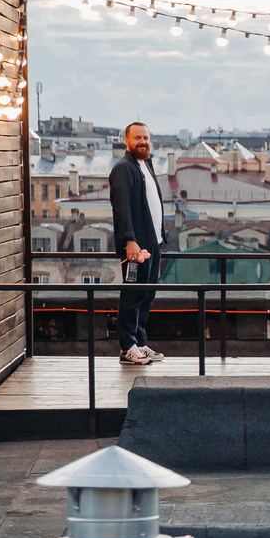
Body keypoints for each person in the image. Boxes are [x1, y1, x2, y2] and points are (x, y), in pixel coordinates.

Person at [107, 122, 170, 365]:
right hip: (137, 246)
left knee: (147, 294)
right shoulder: (124, 168)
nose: (142, 142)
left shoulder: (145, 165)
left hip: (153, 242)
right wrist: (130, 241)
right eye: (137, 138)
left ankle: (140, 344)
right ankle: (127, 348)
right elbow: (122, 208)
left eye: (145, 137)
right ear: (127, 141)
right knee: (133, 294)